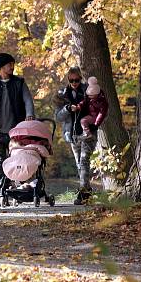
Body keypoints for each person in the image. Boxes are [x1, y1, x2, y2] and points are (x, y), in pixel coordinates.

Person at [0, 52, 35, 203]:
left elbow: (28, 101)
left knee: (17, 162)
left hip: (15, 133)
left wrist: (29, 115)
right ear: (1, 67)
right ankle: (2, 192)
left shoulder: (19, 82)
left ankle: (15, 192)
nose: (12, 67)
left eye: (13, 64)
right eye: (9, 64)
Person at [52, 68, 94, 205]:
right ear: (68, 80)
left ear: (81, 78)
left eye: (77, 80)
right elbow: (58, 117)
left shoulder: (89, 91)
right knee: (79, 163)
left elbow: (99, 110)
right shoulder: (62, 95)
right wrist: (68, 109)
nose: (74, 83)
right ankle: (87, 191)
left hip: (87, 132)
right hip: (72, 134)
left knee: (84, 160)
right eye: (71, 80)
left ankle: (83, 193)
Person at [73, 76, 109, 141]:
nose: (90, 97)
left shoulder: (102, 102)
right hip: (91, 115)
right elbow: (84, 102)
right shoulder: (89, 98)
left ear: (96, 94)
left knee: (83, 121)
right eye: (89, 95)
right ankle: (86, 133)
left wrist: (96, 123)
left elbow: (102, 113)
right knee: (83, 121)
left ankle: (88, 134)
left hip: (96, 117)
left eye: (91, 95)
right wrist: (78, 106)